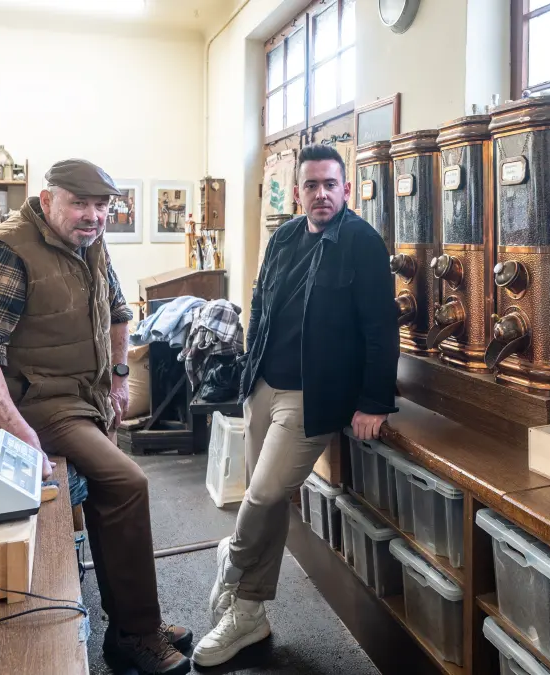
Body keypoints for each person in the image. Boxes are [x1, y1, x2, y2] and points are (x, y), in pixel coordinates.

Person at [0, 159, 192, 675]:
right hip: (40, 405)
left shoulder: (90, 242)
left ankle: (130, 623)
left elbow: (118, 310)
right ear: (48, 201)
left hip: (84, 396)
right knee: (128, 482)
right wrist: (19, 432)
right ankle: (135, 633)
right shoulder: (8, 250)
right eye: (80, 203)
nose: (92, 216)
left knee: (113, 499)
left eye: (102, 206)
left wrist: (118, 375)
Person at [194, 144, 399, 667]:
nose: (322, 194)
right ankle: (250, 615)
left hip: (314, 397)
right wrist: (247, 370)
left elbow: (381, 328)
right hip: (263, 384)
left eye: (331, 184)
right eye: (311, 185)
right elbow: (262, 301)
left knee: (262, 497)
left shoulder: (362, 244)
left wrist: (375, 400)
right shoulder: (284, 236)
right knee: (266, 503)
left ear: (346, 189)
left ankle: (233, 564)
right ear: (299, 191)